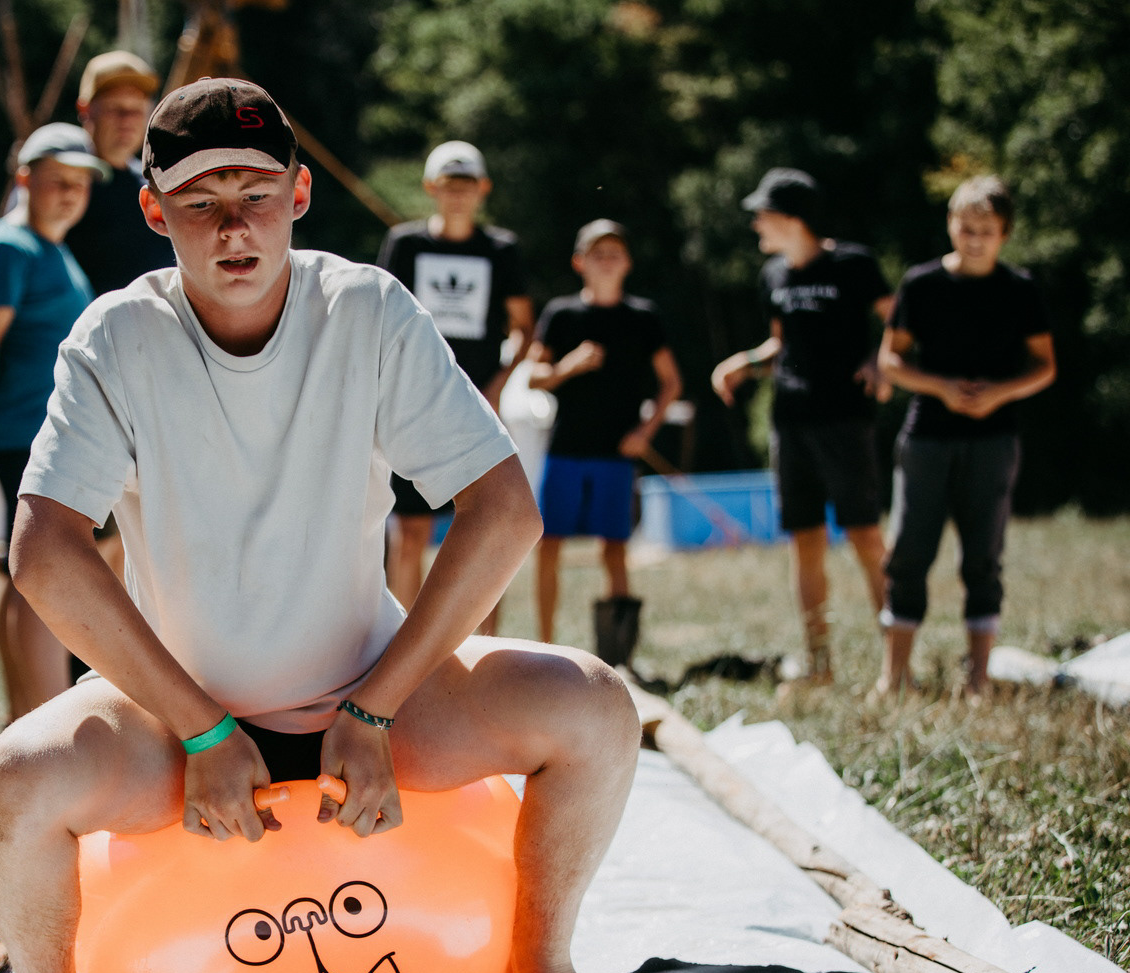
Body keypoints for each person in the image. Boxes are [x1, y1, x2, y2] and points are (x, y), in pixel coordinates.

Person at [0, 78, 640, 973]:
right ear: (154, 211)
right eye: (200, 202)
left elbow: (504, 510)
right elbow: (44, 551)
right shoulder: (114, 337)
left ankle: (538, 963)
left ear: (300, 193)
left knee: (594, 708)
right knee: (14, 784)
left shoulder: (368, 309)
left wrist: (374, 706)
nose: (233, 227)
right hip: (177, 720)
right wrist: (201, 728)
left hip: (371, 701)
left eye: (255, 194)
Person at [873, 176, 1055, 699]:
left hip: (993, 439)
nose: (974, 239)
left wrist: (999, 393)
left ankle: (978, 678)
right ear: (950, 224)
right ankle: (893, 676)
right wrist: (943, 388)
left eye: (986, 230)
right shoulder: (921, 284)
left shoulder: (1020, 290)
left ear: (1004, 234)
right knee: (909, 552)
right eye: (965, 227)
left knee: (983, 557)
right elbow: (891, 359)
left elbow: (1045, 366)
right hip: (928, 436)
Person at [711, 168, 893, 684]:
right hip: (790, 423)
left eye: (762, 215)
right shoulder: (773, 274)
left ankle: (895, 660)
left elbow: (899, 320)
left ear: (792, 217)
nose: (756, 225)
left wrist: (880, 362)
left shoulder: (853, 264)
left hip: (845, 421)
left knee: (865, 536)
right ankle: (819, 663)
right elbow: (780, 344)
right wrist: (744, 361)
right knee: (804, 542)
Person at [0, 123, 108, 724]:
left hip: (45, 435)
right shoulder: (7, 249)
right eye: (56, 181)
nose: (69, 193)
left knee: (23, 573)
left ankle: (22, 724)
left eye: (80, 184)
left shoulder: (52, 249)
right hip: (26, 435)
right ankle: (45, 727)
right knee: (47, 574)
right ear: (24, 179)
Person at [376, 141, 533, 618]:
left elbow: (524, 329)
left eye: (467, 185)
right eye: (449, 185)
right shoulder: (406, 244)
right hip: (413, 407)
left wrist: (496, 388)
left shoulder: (501, 250)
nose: (458, 194)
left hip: (478, 408)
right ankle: (401, 647)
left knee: (486, 533)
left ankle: (486, 647)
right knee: (410, 532)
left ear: (483, 189)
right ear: (431, 188)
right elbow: (380, 317)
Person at [525, 220, 681, 663]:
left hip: (617, 454)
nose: (607, 260)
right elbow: (533, 376)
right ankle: (544, 649)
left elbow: (671, 382)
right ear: (580, 263)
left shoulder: (643, 317)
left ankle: (619, 658)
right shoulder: (561, 314)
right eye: (598, 253)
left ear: (628, 262)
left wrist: (645, 432)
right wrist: (569, 366)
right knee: (548, 545)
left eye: (615, 252)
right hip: (566, 450)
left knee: (614, 548)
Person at [63, 50, 175, 295]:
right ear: (85, 109)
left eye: (136, 109)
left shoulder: (154, 184)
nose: (127, 120)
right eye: (115, 108)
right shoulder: (63, 184)